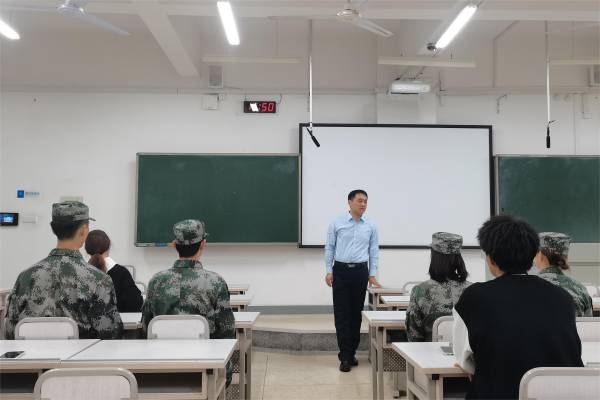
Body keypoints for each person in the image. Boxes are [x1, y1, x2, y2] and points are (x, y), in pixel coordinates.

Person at [453, 215, 583, 399]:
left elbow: (466, 362)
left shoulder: (473, 297)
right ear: (532, 255)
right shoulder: (562, 297)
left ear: (491, 259)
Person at [5, 201, 122, 339]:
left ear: (53, 228)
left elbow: (10, 331)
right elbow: (111, 334)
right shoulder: (99, 280)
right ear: (84, 230)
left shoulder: (25, 277)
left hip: (32, 353)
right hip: (82, 353)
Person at [141, 219, 235, 380]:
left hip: (161, 368)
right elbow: (227, 331)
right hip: (206, 369)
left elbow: (146, 326)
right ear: (203, 244)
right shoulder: (215, 282)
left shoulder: (156, 281)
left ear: (174, 245)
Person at [325, 189, 381, 372]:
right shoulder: (336, 222)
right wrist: (329, 271)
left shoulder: (371, 225)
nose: (363, 204)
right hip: (340, 271)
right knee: (342, 314)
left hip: (360, 272)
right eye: (360, 200)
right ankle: (345, 356)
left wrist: (372, 274)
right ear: (349, 202)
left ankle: (351, 352)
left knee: (356, 314)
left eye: (365, 201)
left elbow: (373, 251)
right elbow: (329, 248)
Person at [405, 232, 471, 342]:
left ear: (434, 257)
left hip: (429, 351)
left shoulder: (420, 291)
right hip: (465, 352)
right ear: (458, 258)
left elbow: (414, 335)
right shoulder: (473, 290)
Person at [534, 232, 593, 317]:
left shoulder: (528, 287)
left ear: (540, 255)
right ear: (565, 257)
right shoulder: (580, 290)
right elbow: (589, 322)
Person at [85, 230, 143, 313]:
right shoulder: (122, 273)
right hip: (117, 320)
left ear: (87, 249)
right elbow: (136, 304)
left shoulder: (80, 272)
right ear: (109, 246)